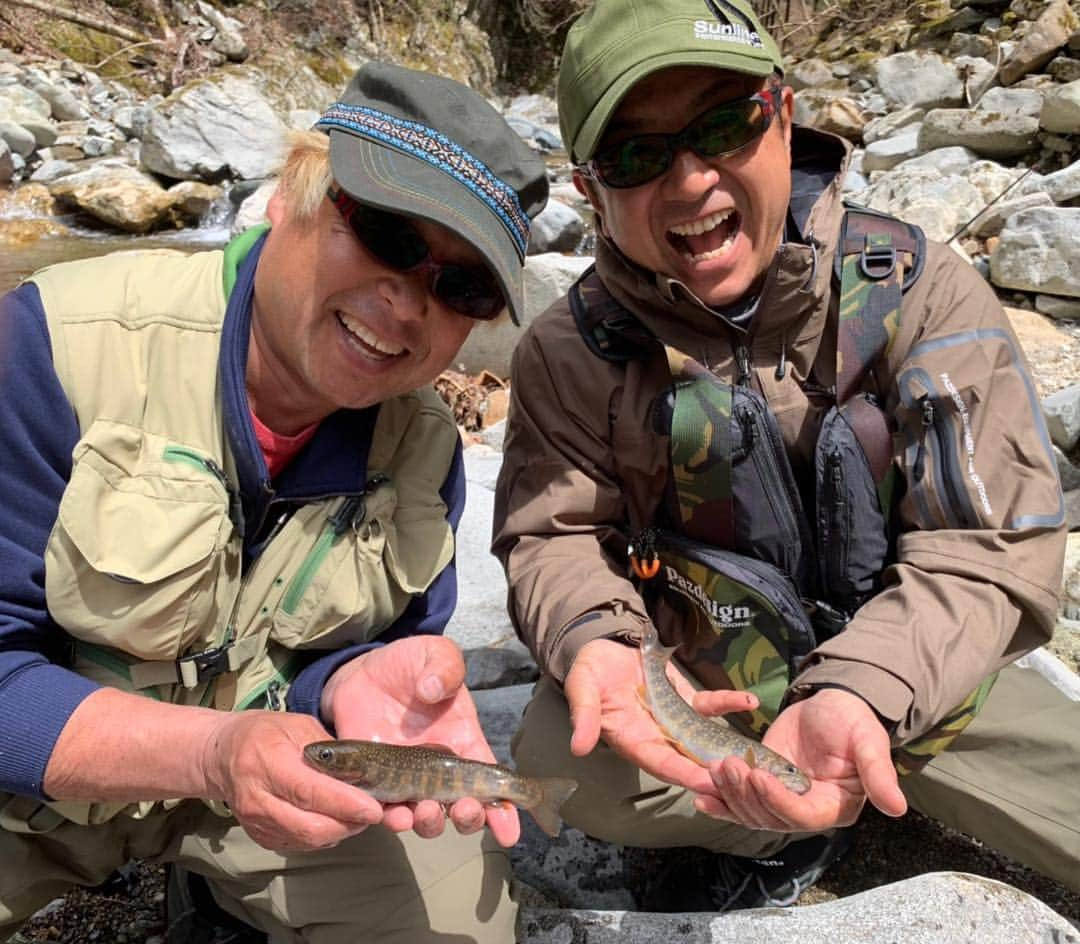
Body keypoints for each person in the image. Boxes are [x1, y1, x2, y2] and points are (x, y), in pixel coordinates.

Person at [493, 0, 1079, 912]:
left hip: (923, 671)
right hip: (715, 685)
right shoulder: (569, 353)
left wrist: (866, 690)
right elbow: (554, 539)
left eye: (724, 124)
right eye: (636, 157)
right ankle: (788, 818)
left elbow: (991, 545)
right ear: (585, 188)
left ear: (785, 113)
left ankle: (841, 773)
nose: (690, 182)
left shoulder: (920, 290)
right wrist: (601, 642)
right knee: (572, 766)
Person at [0, 61, 548, 943]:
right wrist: (210, 754)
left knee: (457, 919)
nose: (406, 302)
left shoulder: (424, 448)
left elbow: (364, 650)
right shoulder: (48, 350)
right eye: (386, 234)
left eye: (462, 285)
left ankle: (213, 891)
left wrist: (359, 679)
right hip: (27, 795)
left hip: (269, 789)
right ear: (290, 195)